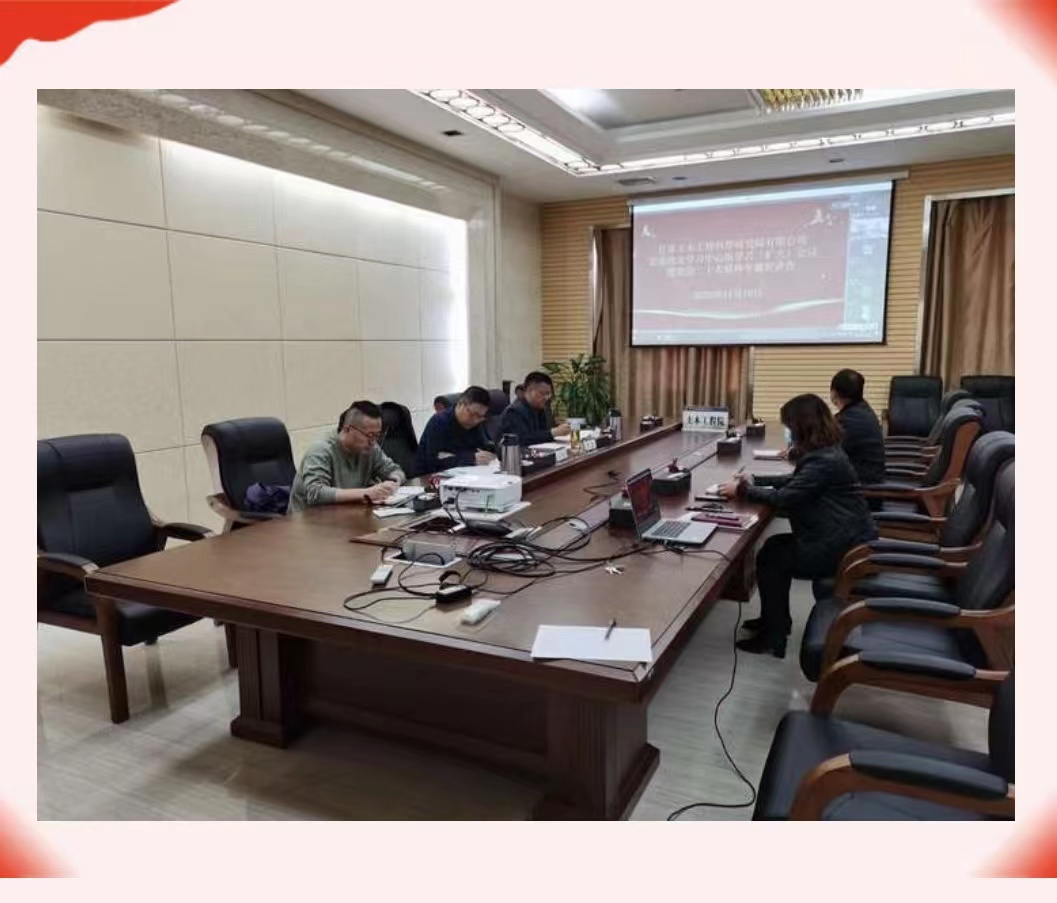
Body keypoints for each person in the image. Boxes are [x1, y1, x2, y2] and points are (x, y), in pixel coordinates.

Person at [718, 394, 877, 658]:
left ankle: (774, 635)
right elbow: (798, 481)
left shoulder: (823, 459)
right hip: (841, 538)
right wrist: (755, 480)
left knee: (774, 557)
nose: (789, 433)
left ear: (802, 426)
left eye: (790, 427)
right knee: (772, 550)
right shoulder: (826, 451)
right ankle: (775, 622)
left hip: (839, 549)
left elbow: (786, 498)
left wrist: (743, 490)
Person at [287, 401, 405, 514]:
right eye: (369, 435)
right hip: (308, 522)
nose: (373, 442)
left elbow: (393, 469)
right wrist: (367, 493)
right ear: (347, 429)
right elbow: (315, 493)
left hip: (346, 516)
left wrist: (393, 482)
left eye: (377, 436)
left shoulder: (370, 448)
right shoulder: (321, 450)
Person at [416, 386, 496, 474]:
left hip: (466, 475)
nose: (475, 420)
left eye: (480, 416)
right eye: (472, 414)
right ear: (460, 404)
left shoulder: (476, 424)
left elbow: (481, 448)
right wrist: (470, 458)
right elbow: (432, 463)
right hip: (429, 478)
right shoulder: (439, 422)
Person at [829, 368, 885, 487]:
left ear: (834, 393)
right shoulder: (862, 410)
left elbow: (826, 451)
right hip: (870, 475)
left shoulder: (848, 420)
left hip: (863, 484)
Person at [499, 371, 570, 446]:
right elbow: (522, 439)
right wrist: (553, 432)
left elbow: (543, 434)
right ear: (529, 391)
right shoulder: (514, 411)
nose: (546, 398)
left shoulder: (541, 409)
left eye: (548, 393)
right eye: (542, 393)